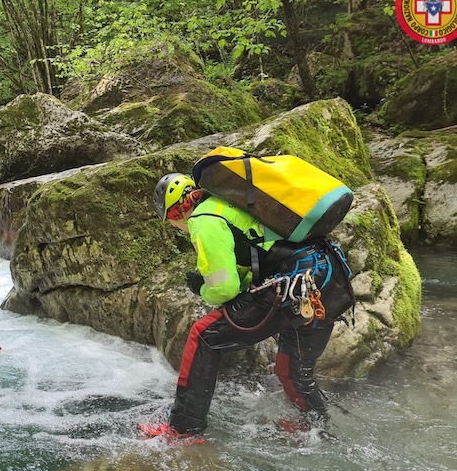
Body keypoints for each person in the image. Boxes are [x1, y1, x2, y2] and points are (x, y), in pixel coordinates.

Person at [141, 172, 355, 440]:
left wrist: (201, 288)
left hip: (291, 283)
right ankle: (318, 430)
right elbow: (254, 260)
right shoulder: (232, 202)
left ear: (174, 214)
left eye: (171, 222)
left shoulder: (204, 219)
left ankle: (184, 429)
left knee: (204, 336)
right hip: (325, 278)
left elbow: (224, 289)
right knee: (293, 369)